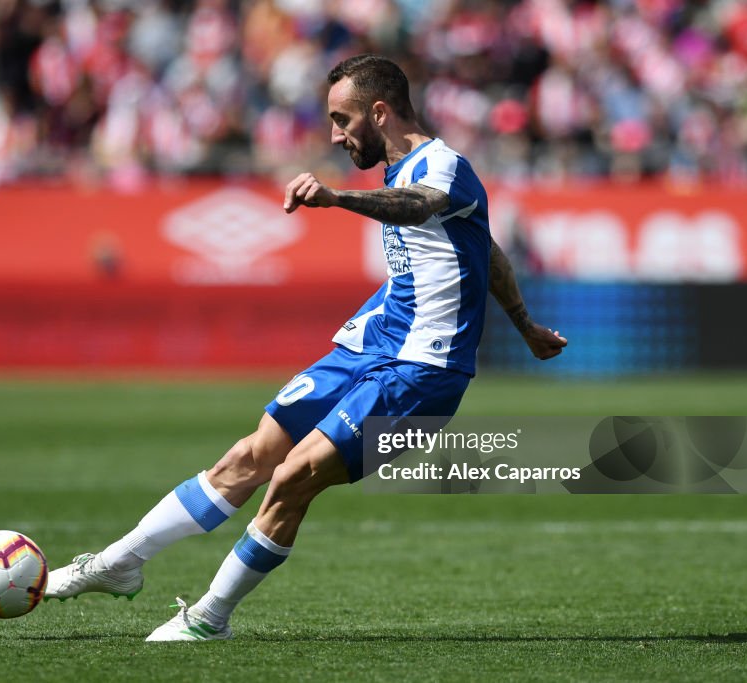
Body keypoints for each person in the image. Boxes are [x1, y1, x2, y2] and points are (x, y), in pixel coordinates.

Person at [43, 54, 568, 641]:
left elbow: (419, 206)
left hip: (423, 369)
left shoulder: (442, 166)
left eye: (342, 120)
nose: (336, 135)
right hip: (370, 343)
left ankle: (209, 618)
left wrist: (338, 199)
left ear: (379, 111)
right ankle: (121, 561)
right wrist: (523, 324)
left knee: (293, 476)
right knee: (248, 456)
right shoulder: (400, 171)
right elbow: (487, 250)